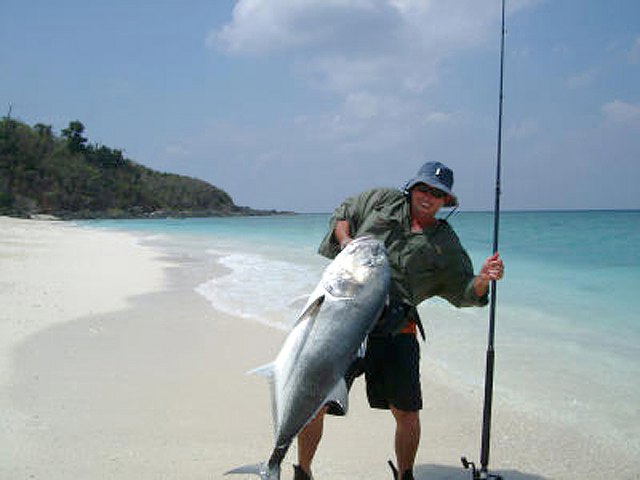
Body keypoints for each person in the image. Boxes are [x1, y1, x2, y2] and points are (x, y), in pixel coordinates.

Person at [292, 161, 505, 480]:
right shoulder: (381, 200)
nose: (428, 196)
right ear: (412, 188)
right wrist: (347, 242)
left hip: (396, 329)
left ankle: (405, 474)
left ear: (446, 202)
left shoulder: (445, 242)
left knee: (407, 412)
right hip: (344, 323)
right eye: (424, 188)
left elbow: (464, 290)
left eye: (438, 193)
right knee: (314, 403)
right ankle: (303, 471)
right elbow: (343, 214)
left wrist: (484, 279)